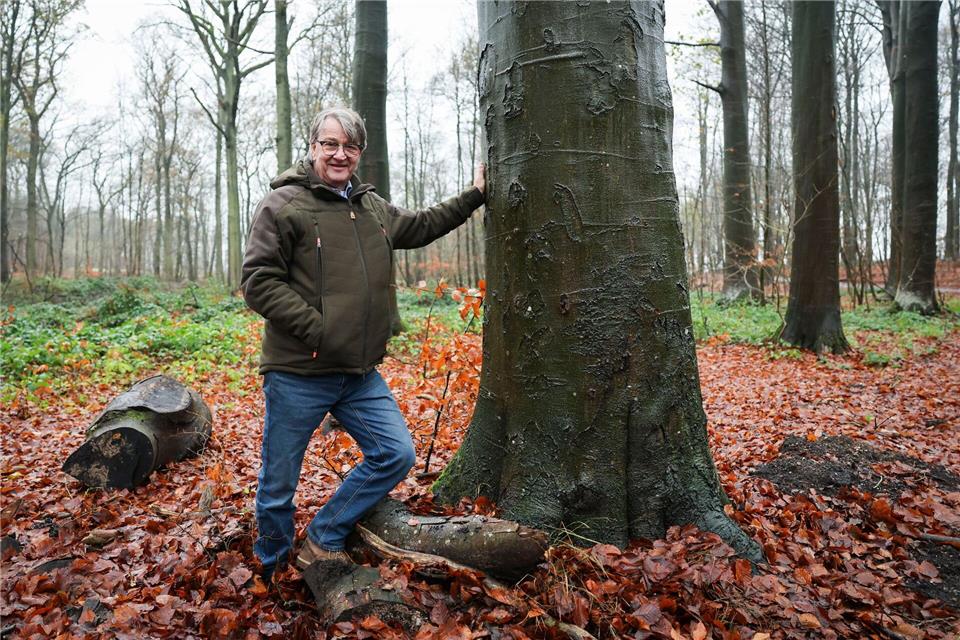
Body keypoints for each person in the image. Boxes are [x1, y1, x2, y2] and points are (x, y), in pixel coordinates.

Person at [241, 106, 485, 579]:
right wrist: (319, 329)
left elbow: (422, 225)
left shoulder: (370, 207)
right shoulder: (283, 205)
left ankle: (325, 533)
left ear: (359, 153)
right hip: (298, 371)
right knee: (278, 484)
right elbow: (258, 281)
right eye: (330, 144)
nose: (340, 154)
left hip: (358, 374)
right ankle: (272, 569)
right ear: (313, 147)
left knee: (396, 454)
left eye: (350, 146)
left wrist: (475, 195)